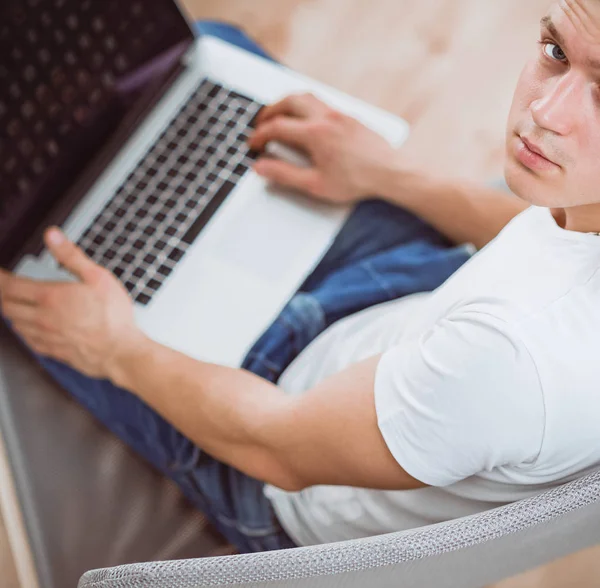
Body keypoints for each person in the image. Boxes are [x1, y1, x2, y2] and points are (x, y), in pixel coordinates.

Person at [2, 0, 600, 553]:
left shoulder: (511, 360)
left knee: (26, 253)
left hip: (281, 446)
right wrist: (391, 175)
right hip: (402, 313)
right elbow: (550, 231)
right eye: (555, 52)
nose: (545, 115)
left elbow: (275, 447)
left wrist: (115, 347)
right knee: (196, 57)